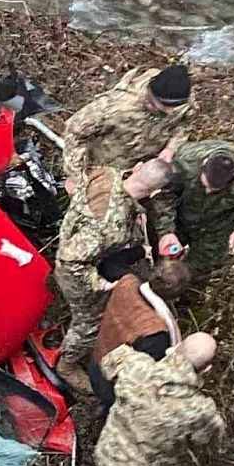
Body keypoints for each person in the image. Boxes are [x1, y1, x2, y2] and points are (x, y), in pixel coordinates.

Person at [54, 158, 173, 392]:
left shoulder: (107, 173)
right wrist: (100, 284)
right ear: (155, 191)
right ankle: (66, 365)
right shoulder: (108, 227)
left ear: (138, 167)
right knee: (89, 321)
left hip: (76, 239)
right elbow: (71, 259)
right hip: (76, 271)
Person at [95, 332, 226, 466]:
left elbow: (107, 362)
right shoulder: (201, 412)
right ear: (207, 369)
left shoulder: (135, 366)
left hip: (105, 457)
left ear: (175, 348)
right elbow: (208, 451)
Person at [152, 140, 234, 280]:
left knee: (197, 268)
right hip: (182, 213)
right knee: (161, 252)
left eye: (215, 189)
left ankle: (181, 291)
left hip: (218, 225)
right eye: (206, 185)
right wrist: (166, 231)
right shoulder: (185, 162)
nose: (208, 191)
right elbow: (165, 196)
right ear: (203, 166)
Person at [88, 258, 191, 411]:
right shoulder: (155, 332)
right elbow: (150, 378)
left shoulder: (127, 282)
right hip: (113, 388)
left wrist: (141, 251)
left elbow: (111, 264)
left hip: (96, 363)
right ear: (176, 297)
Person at [63, 65, 194, 181]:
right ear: (152, 96)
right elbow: (74, 134)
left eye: (176, 106)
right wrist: (79, 178)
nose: (171, 112)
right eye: (165, 106)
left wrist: (171, 147)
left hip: (144, 168)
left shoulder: (181, 97)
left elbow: (186, 123)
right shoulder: (115, 106)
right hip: (102, 168)